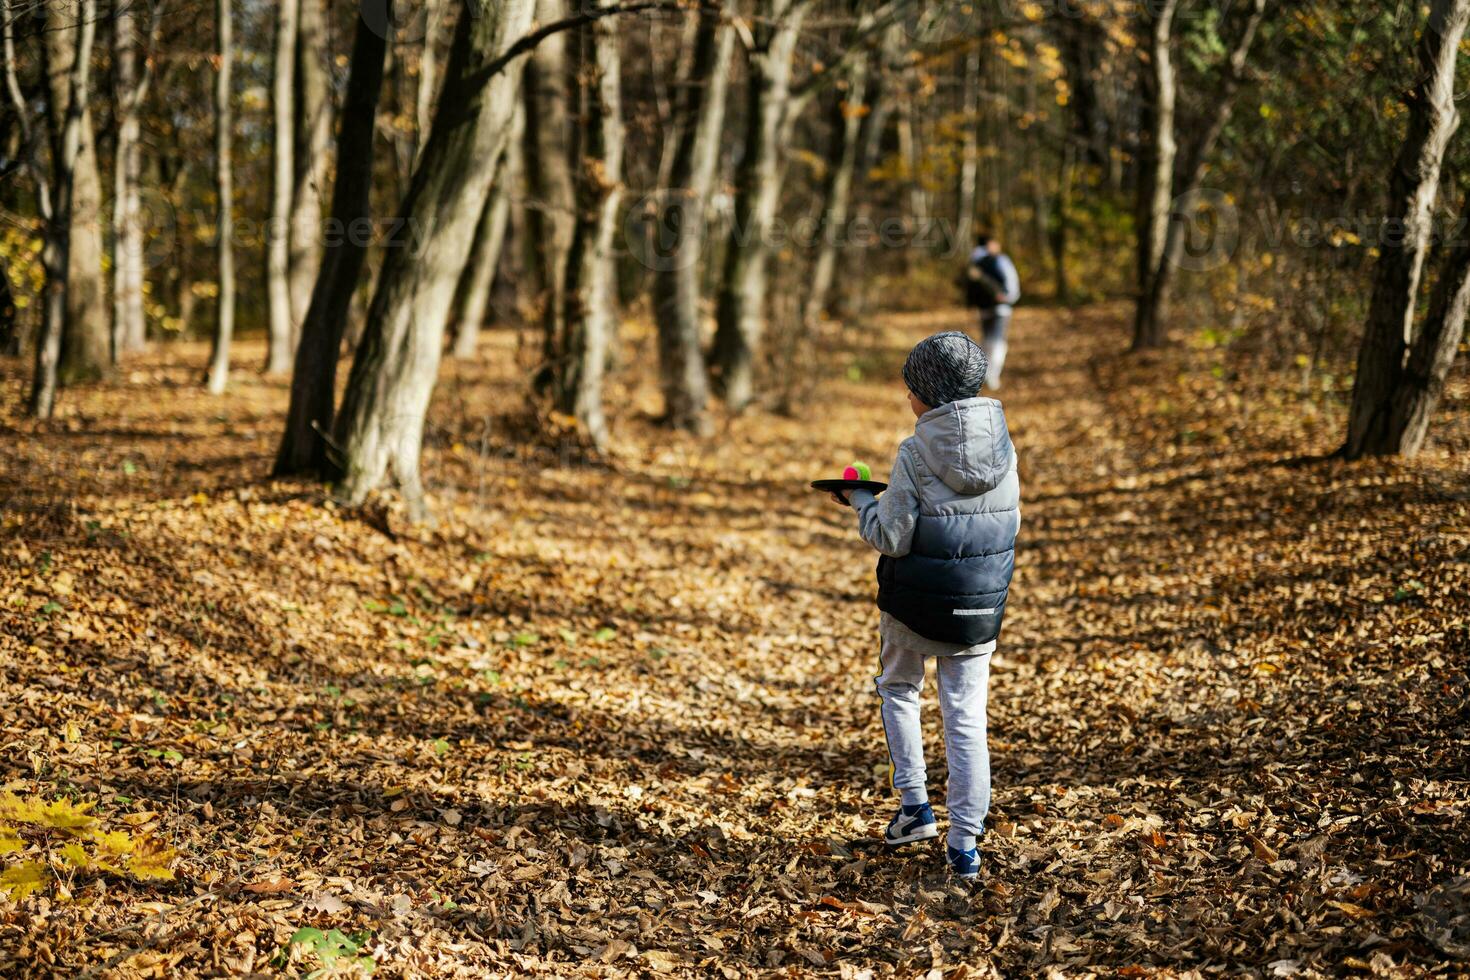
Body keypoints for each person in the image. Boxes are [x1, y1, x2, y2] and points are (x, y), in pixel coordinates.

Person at [830, 331, 1020, 879]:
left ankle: (914, 807)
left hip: (915, 605)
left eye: (911, 389)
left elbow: (892, 536)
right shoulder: (1006, 450)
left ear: (930, 394)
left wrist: (863, 499)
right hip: (980, 604)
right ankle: (965, 846)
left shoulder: (915, 452)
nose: (907, 399)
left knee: (898, 689)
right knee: (966, 719)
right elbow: (1006, 523)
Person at [962, 234, 1020, 389]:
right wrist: (1009, 297)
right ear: (992, 244)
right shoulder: (1000, 260)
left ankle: (987, 374)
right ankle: (992, 375)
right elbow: (1012, 283)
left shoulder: (975, 261)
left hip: (984, 307)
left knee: (988, 341)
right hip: (1000, 307)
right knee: (997, 341)